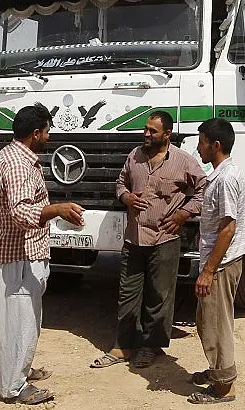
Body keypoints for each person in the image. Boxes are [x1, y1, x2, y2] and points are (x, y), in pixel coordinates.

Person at [90, 110, 207, 369]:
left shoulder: (183, 161)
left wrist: (183, 213)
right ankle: (124, 346)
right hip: (133, 239)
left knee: (159, 296)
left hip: (164, 239)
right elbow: (121, 183)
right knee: (128, 293)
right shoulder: (135, 156)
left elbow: (204, 189)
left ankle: (151, 346)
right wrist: (126, 197)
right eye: (145, 129)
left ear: (167, 135)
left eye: (152, 131)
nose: (146, 134)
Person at [0, 103, 85, 405]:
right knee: (17, 321)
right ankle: (14, 387)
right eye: (47, 131)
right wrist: (56, 210)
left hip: (26, 252)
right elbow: (19, 212)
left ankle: (20, 371)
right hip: (15, 255)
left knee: (27, 319)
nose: (50, 137)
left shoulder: (20, 157)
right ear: (35, 133)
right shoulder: (16, 163)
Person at [188, 118, 245, 405]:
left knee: (215, 323)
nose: (198, 148)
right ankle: (218, 370)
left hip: (221, 264)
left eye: (201, 143)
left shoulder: (225, 180)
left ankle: (224, 386)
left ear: (216, 145)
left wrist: (209, 271)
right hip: (223, 261)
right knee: (208, 319)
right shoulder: (224, 174)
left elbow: (228, 227)